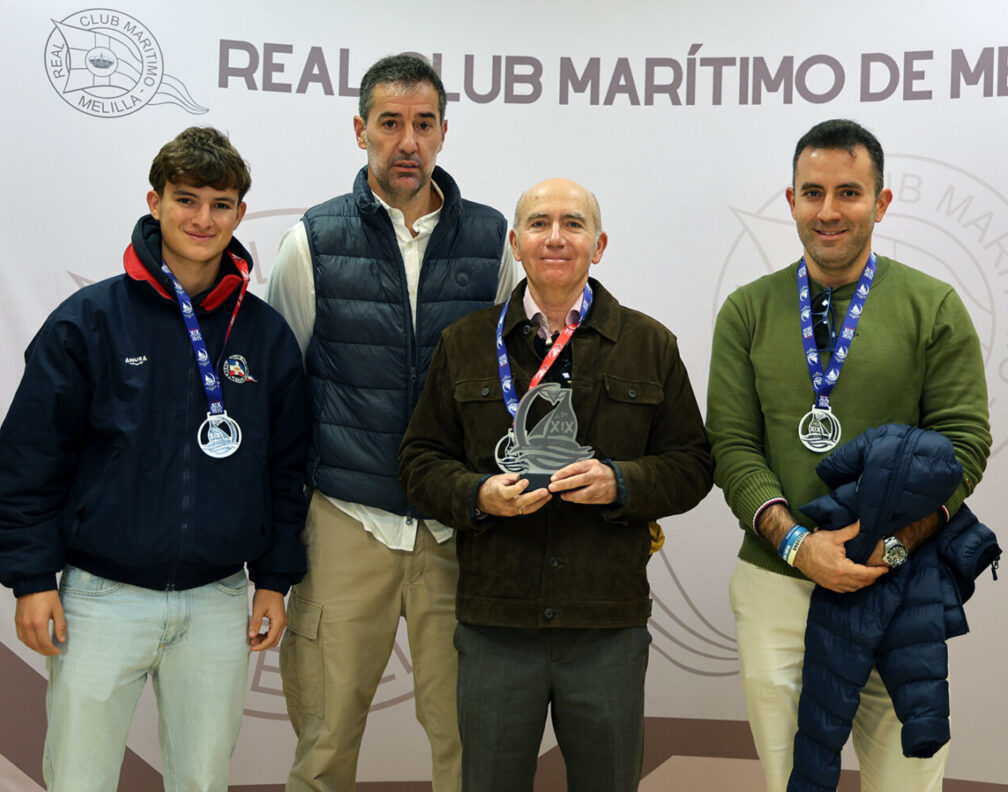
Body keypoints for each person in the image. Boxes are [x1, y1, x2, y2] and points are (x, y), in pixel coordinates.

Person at [0, 126, 309, 791]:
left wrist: (274, 580)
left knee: (202, 781)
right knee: (79, 779)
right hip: (100, 596)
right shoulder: (90, 320)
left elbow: (285, 468)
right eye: (186, 199)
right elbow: (31, 457)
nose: (202, 218)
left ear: (240, 214)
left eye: (220, 204)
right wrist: (31, 578)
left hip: (218, 598)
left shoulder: (264, 334)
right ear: (155, 202)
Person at [398, 177, 714, 791]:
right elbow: (419, 460)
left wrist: (621, 482)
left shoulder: (649, 344)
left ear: (599, 245)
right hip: (497, 623)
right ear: (515, 244)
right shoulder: (465, 343)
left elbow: (693, 465)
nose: (555, 237)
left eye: (573, 224)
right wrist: (478, 495)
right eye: (539, 223)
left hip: (606, 624)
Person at [706, 118, 991, 791]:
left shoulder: (933, 306)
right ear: (791, 200)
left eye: (849, 193)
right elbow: (733, 446)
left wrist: (888, 547)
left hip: (899, 585)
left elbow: (965, 445)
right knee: (793, 780)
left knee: (906, 779)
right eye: (812, 192)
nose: (828, 211)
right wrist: (798, 545)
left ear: (880, 202)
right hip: (777, 582)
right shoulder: (747, 311)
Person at [266, 54, 516, 792]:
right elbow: (281, 396)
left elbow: (512, 385)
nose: (408, 141)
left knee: (468, 748)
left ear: (443, 133)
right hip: (346, 521)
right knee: (324, 744)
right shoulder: (312, 241)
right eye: (390, 123)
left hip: (455, 527)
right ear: (360, 130)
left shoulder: (493, 240)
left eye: (424, 124)